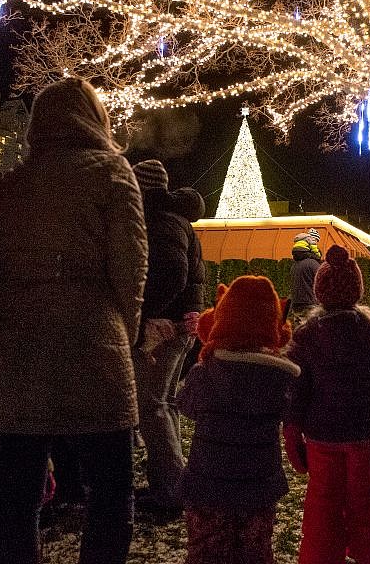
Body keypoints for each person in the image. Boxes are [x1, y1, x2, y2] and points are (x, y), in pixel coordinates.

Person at [0, 78, 148, 564]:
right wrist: (120, 334)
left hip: (12, 346)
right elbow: (131, 267)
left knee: (17, 496)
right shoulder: (111, 172)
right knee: (110, 492)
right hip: (90, 343)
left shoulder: (12, 183)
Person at [285, 245, 370, 564]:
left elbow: (295, 389)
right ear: (356, 290)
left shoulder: (306, 337)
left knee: (322, 506)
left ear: (320, 291)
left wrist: (292, 431)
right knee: (364, 505)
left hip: (321, 438)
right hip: (363, 436)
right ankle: (365, 555)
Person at [177, 275, 298, 564]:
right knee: (255, 552)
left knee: (206, 551)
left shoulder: (206, 372)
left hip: (207, 485)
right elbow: (291, 413)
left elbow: (185, 405)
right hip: (258, 488)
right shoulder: (280, 379)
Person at [129, 158, 205, 522]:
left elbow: (173, 272)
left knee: (151, 407)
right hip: (180, 326)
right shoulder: (175, 220)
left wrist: (147, 315)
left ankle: (172, 492)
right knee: (164, 405)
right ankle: (173, 483)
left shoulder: (161, 221)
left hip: (167, 329)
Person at [290, 233, 322, 322]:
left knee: (299, 331)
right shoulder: (313, 264)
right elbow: (322, 284)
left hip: (296, 304)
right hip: (311, 304)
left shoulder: (294, 265)